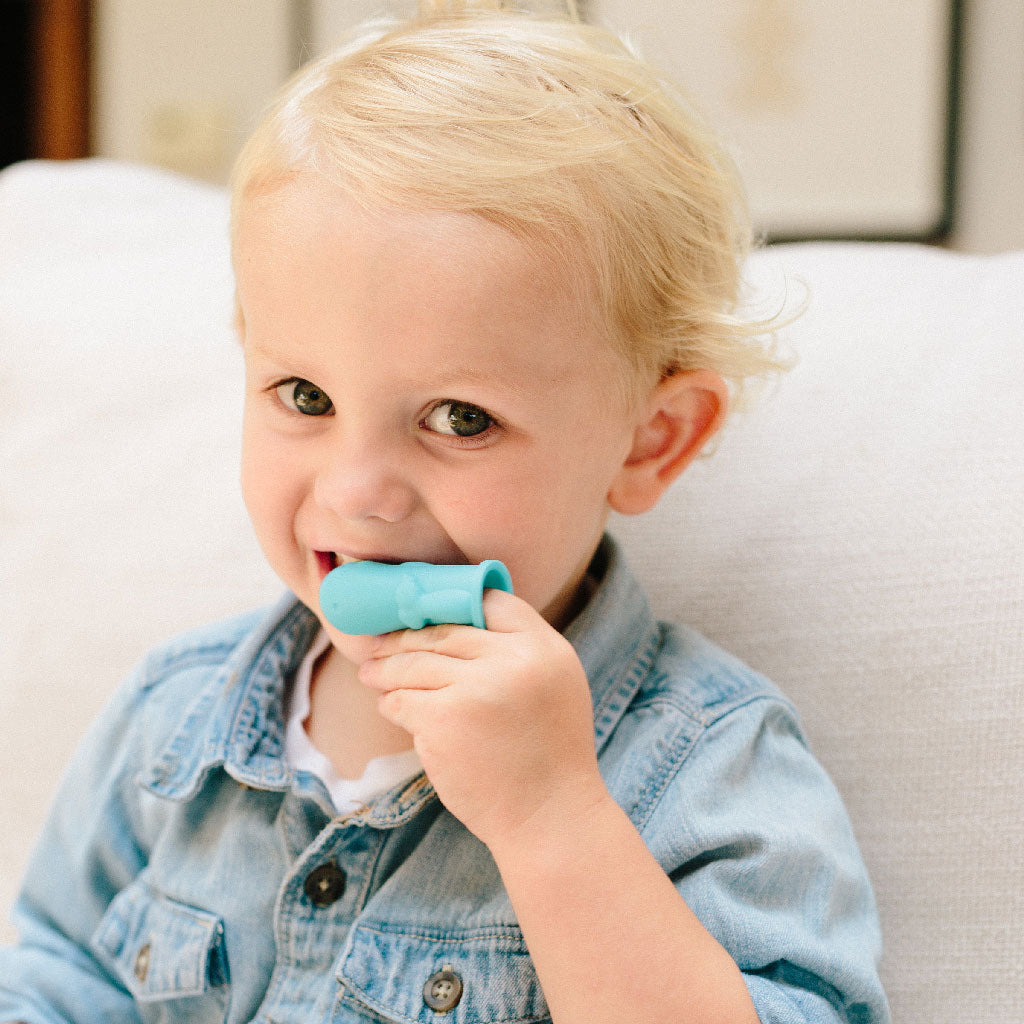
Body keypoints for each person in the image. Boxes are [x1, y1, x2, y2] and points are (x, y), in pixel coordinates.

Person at [0, 3, 890, 1022]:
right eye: (304, 398)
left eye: (459, 418)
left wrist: (552, 818)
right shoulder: (171, 718)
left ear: (652, 441)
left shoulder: (710, 762)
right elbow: (58, 976)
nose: (356, 492)